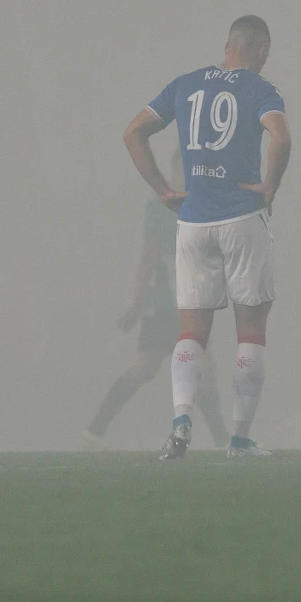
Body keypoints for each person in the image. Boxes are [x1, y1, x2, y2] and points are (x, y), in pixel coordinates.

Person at [122, 15, 292, 460]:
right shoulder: (261, 90)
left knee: (191, 331)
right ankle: (238, 439)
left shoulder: (185, 84)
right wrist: (271, 184)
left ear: (226, 46)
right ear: (259, 51)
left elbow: (133, 132)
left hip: (193, 222)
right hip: (242, 219)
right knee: (251, 330)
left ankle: (180, 421)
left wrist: (162, 189)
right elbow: (281, 136)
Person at [81, 149, 228, 450]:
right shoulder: (161, 209)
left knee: (185, 372)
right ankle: (225, 441)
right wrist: (137, 303)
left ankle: (95, 430)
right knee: (165, 370)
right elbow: (147, 259)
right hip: (165, 307)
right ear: (173, 173)